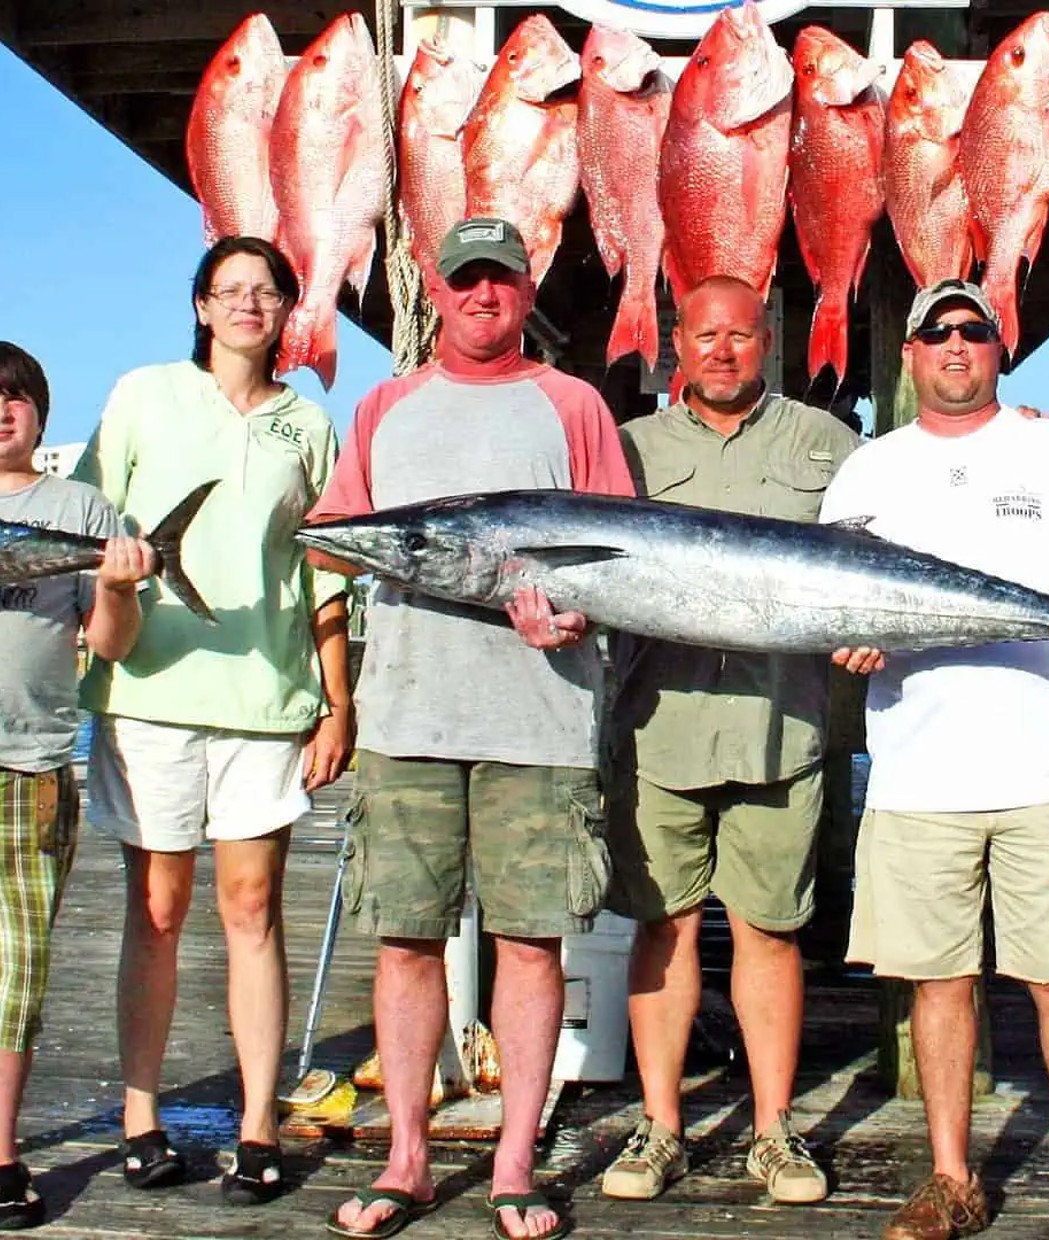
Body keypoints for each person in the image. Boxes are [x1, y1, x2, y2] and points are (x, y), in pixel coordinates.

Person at [308, 217, 633, 1240]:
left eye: (499, 279)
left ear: (525, 287)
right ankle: (406, 1154)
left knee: (528, 945)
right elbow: (333, 542)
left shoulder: (572, 404)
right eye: (464, 282)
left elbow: (620, 552)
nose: (482, 296)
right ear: (434, 293)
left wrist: (577, 606)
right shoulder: (385, 407)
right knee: (404, 941)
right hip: (408, 715)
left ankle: (513, 1161)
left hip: (538, 720)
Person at [820, 278, 1049, 1240]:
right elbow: (831, 591)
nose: (955, 346)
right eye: (935, 334)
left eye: (974, 331)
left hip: (1048, 768)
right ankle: (951, 1176)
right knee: (938, 983)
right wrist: (849, 638)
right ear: (908, 357)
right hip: (918, 774)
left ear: (1000, 348)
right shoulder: (870, 470)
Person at [72, 237, 352, 1206]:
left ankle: (259, 1123)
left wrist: (336, 699)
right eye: (230, 290)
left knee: (251, 908)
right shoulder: (143, 395)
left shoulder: (307, 425)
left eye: (266, 291)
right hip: (147, 692)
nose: (248, 305)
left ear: (286, 313)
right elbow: (90, 520)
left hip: (265, 699)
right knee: (154, 911)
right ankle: (141, 1117)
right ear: (200, 306)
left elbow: (323, 571)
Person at [600, 275, 859, 1206]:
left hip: (780, 730)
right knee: (661, 929)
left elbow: (896, 548)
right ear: (677, 342)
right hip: (656, 727)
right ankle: (660, 1126)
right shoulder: (626, 449)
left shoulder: (829, 444)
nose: (721, 351)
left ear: (769, 342)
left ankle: (773, 1131)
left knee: (771, 930)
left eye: (740, 336)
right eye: (704, 336)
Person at [0, 343, 155, 1229]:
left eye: (15, 398)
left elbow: (114, 641)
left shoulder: (81, 508)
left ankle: (4, 1153)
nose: (1, 413)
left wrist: (124, 584)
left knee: (15, 971)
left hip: (33, 763)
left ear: (40, 414)